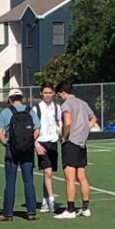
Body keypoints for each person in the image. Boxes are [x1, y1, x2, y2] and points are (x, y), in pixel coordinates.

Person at [0, 88, 40, 221]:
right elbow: (37, 129)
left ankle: (8, 213)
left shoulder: (5, 112)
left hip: (12, 150)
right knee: (29, 181)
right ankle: (31, 212)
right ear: (22, 98)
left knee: (10, 182)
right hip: (28, 150)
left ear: (10, 99)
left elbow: (0, 133)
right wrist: (30, 141)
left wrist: (7, 144)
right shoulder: (30, 111)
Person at [55, 80, 97, 218]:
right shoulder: (83, 103)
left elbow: (67, 122)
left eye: (58, 95)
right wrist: (84, 130)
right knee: (82, 177)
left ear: (63, 92)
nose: (58, 98)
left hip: (71, 143)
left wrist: (64, 136)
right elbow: (93, 118)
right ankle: (85, 208)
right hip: (81, 144)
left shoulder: (66, 104)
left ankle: (70, 210)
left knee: (70, 178)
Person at [32, 82, 63, 212]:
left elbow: (59, 123)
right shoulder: (36, 109)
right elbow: (33, 129)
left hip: (53, 142)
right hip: (41, 142)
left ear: (54, 93)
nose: (48, 95)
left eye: (50, 92)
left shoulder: (57, 107)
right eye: (45, 93)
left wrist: (61, 135)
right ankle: (51, 201)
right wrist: (36, 144)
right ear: (41, 93)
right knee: (48, 172)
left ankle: (44, 201)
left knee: (48, 173)